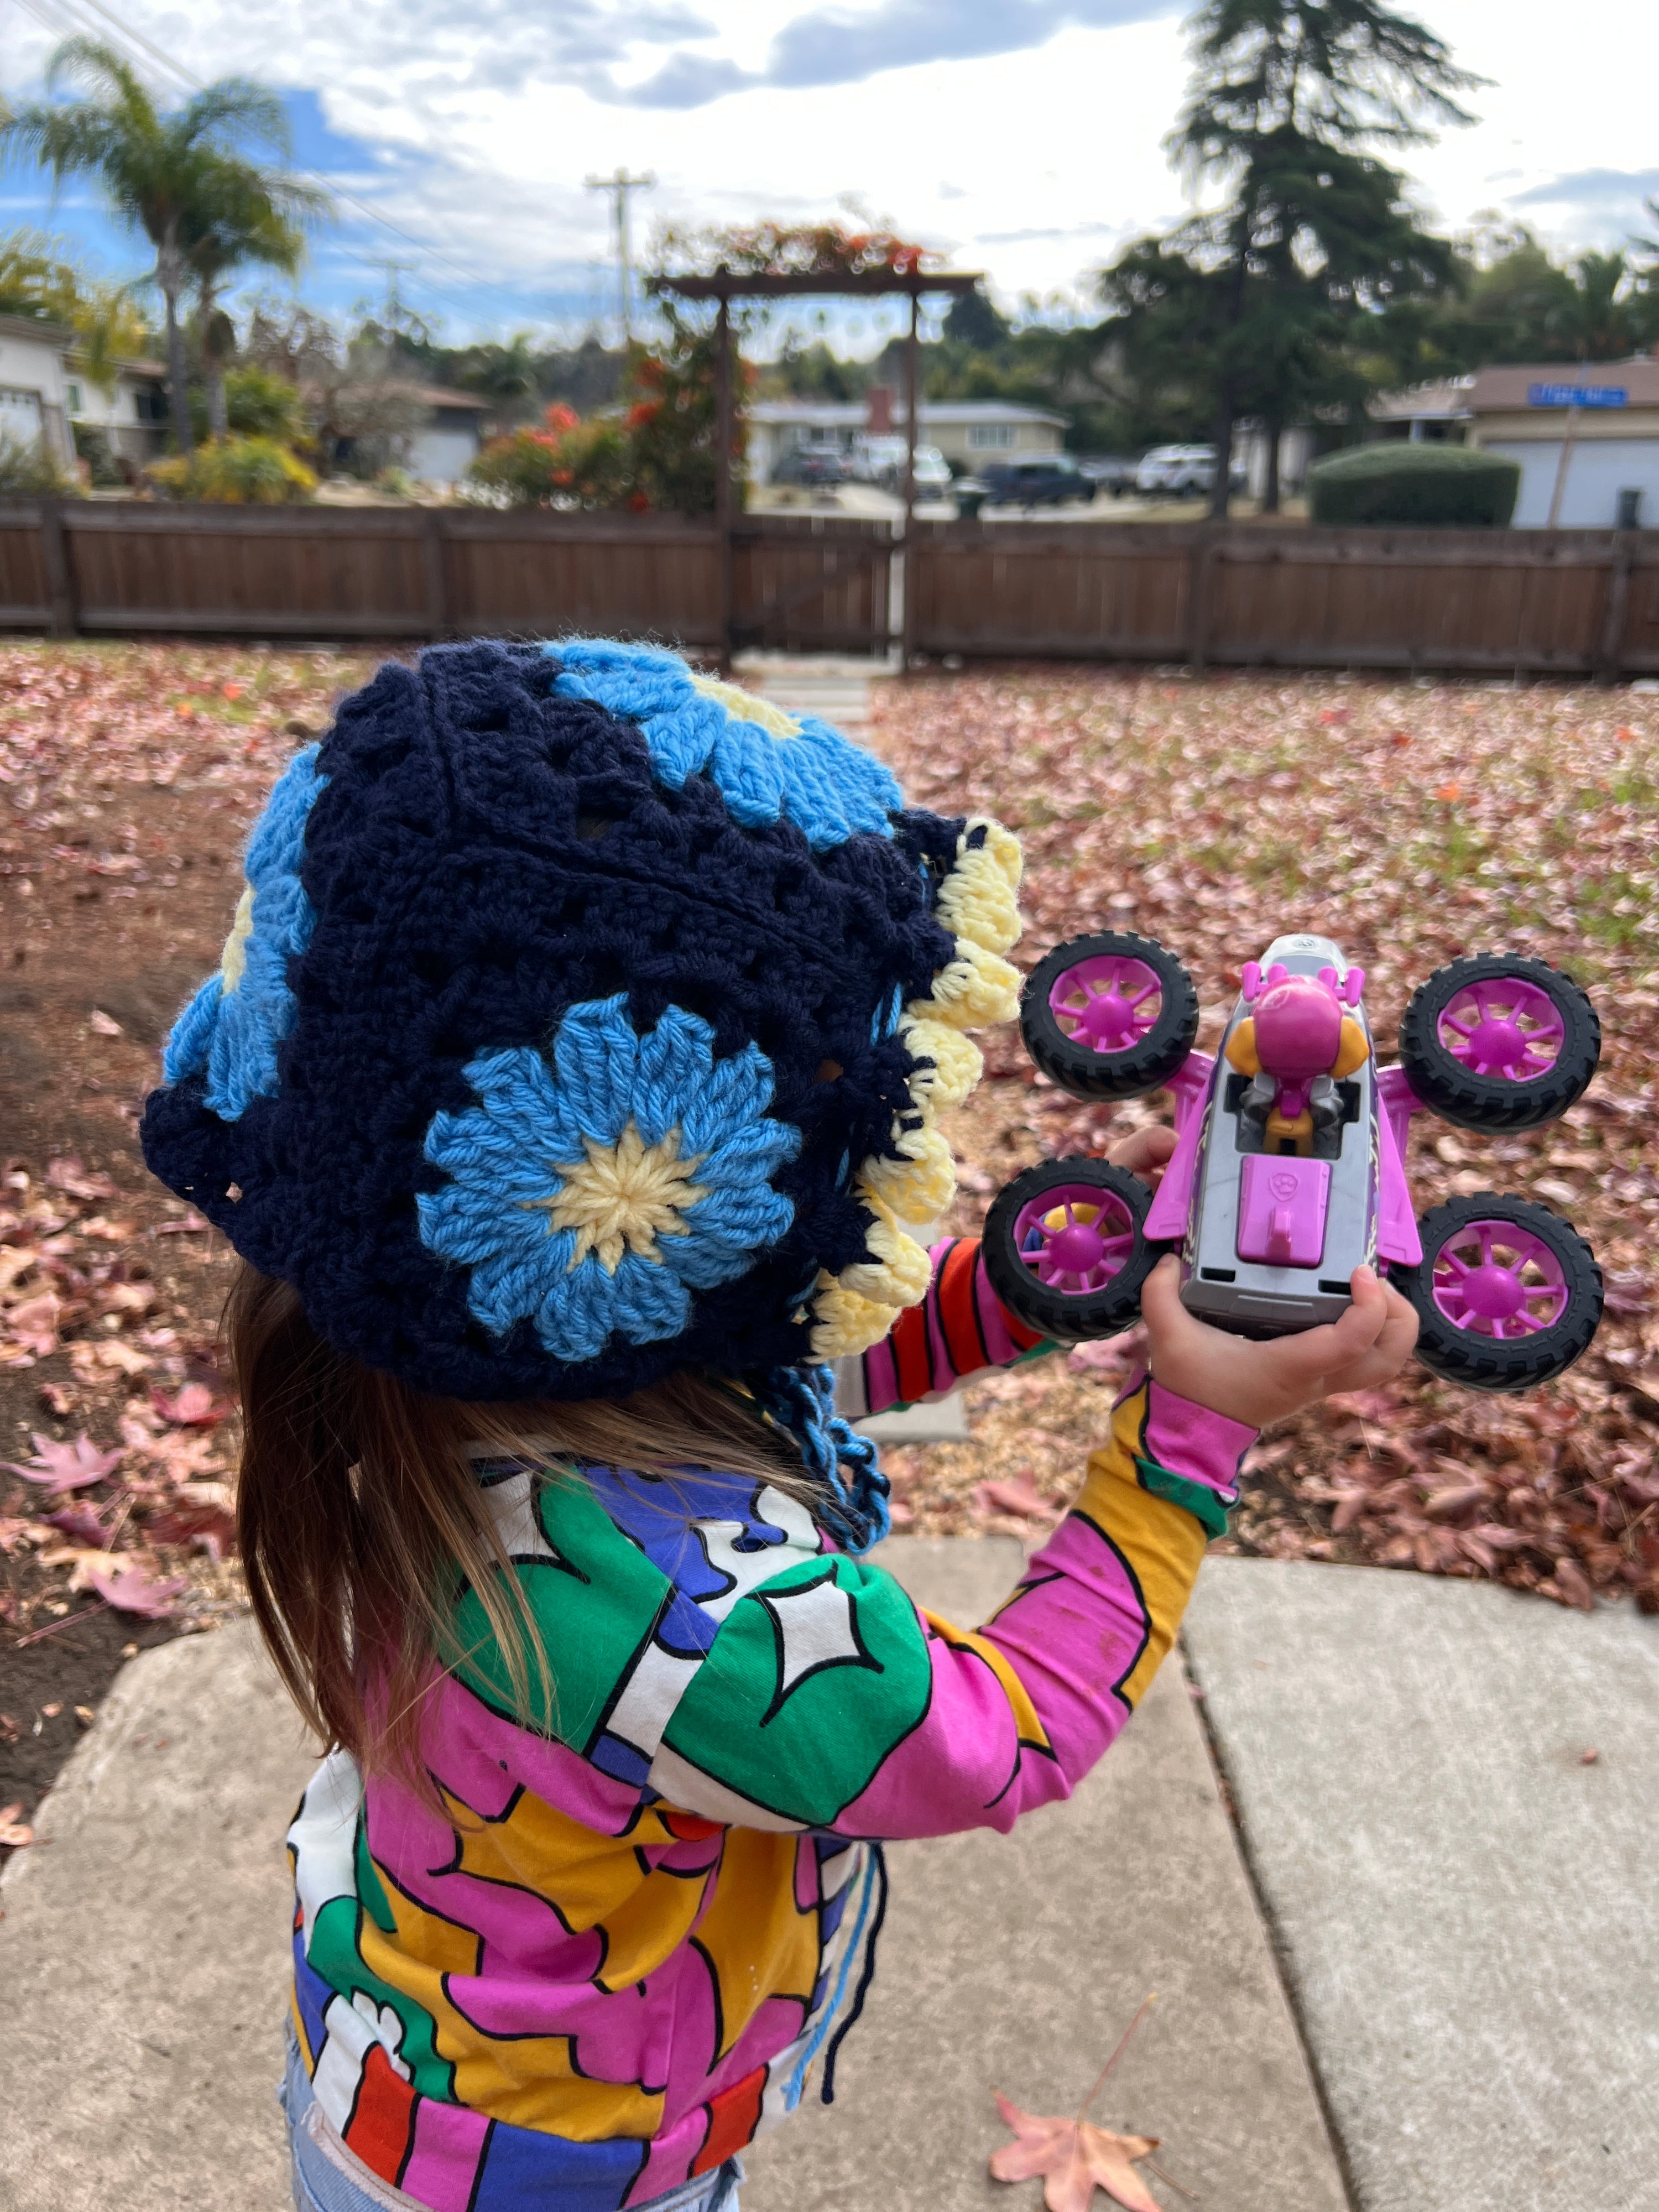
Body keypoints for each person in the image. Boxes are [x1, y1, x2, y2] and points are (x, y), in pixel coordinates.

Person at [141, 639, 1417, 2212]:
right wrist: (1193, 1436)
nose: (900, 1143)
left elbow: (786, 1392)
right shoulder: (689, 1619)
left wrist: (1039, 1283)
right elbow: (997, 1736)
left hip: (413, 2072)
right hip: (555, 2180)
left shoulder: (421, 1375)